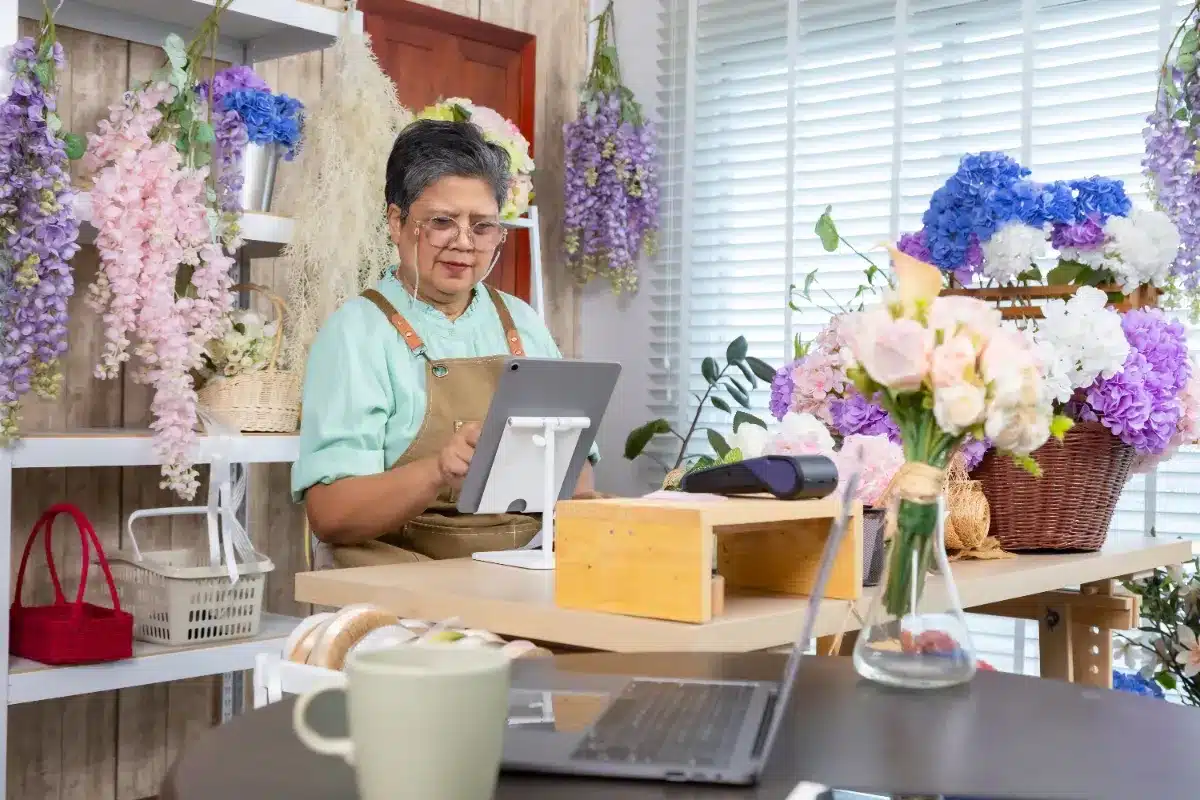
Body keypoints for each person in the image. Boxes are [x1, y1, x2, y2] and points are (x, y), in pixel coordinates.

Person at [292, 119, 597, 568]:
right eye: (441, 222)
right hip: (404, 577)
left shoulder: (522, 323)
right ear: (396, 222)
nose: (464, 243)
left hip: (519, 570)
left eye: (482, 226)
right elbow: (331, 515)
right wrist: (438, 470)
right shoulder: (355, 334)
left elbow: (577, 471)